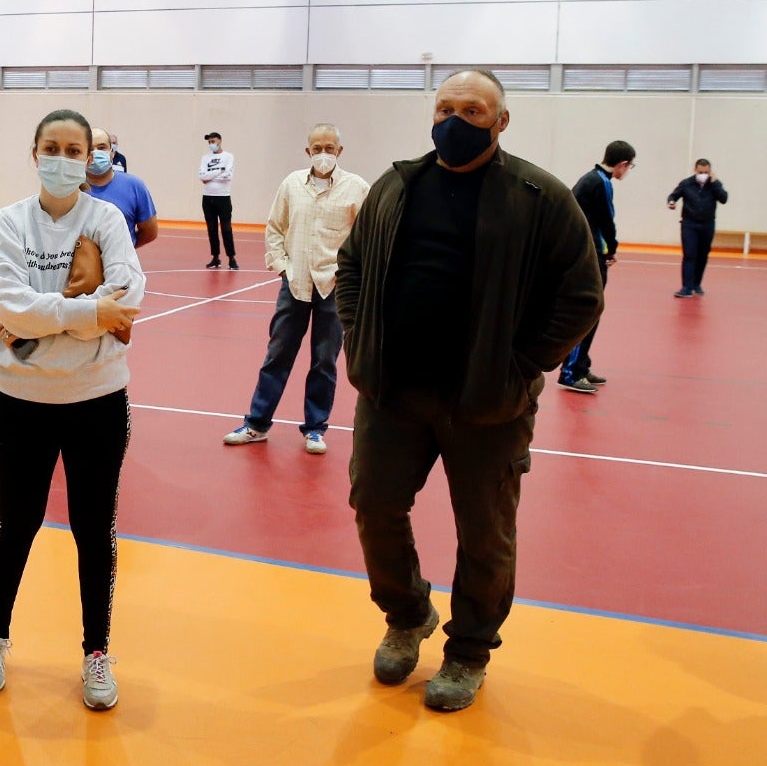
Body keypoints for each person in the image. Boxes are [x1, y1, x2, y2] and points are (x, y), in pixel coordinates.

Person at [336, 69, 602, 713]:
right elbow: (351, 267)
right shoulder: (397, 186)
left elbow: (581, 294)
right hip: (393, 393)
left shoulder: (539, 196)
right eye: (446, 107)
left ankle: (469, 650)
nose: (456, 120)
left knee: (484, 533)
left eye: (474, 110)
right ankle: (406, 614)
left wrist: (521, 365)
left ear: (500, 121)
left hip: (488, 402)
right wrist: (358, 338)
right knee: (374, 503)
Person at [0, 108, 144, 712]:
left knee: (95, 529)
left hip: (98, 401)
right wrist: (86, 309)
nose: (67, 159)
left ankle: (96, 651)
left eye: (77, 150)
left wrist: (65, 312)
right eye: (54, 147)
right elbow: (12, 308)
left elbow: (131, 293)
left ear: (93, 157)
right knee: (15, 522)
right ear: (35, 152)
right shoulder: (7, 224)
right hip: (21, 403)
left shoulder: (108, 220)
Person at [222, 123, 368, 455]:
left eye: (330, 148)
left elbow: (366, 238)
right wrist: (282, 266)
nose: (323, 154)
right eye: (317, 148)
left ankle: (315, 429)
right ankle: (257, 424)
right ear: (308, 151)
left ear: (339, 151)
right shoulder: (291, 184)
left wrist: (352, 277)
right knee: (277, 355)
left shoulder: (357, 188)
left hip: (334, 285)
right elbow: (275, 227)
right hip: (296, 283)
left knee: (324, 361)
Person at [559, 141, 635, 393]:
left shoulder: (591, 179)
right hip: (588, 256)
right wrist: (612, 247)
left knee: (594, 310)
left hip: (588, 254)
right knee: (588, 311)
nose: (627, 171)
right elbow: (606, 221)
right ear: (622, 164)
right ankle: (570, 373)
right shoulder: (600, 182)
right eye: (630, 166)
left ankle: (581, 365)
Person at [83, 127, 157, 247]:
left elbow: (150, 232)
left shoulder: (135, 186)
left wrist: (125, 249)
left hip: (120, 264)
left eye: (101, 148)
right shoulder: (71, 187)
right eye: (90, 149)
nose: (95, 153)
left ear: (112, 152)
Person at [669, 159, 728, 297]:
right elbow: (674, 195)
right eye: (700, 172)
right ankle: (686, 287)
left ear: (710, 171)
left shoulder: (715, 184)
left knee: (703, 255)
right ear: (695, 171)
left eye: (706, 172)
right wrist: (671, 202)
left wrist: (715, 184)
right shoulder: (687, 183)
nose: (703, 175)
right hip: (689, 224)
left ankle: (696, 284)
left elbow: (724, 198)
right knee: (689, 255)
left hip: (707, 225)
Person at [199, 131, 237, 269]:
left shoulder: (228, 156)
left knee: (226, 228)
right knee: (212, 229)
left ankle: (232, 258)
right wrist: (219, 171)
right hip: (208, 198)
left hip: (223, 197)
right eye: (209, 142)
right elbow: (201, 176)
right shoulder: (205, 158)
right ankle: (215, 257)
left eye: (213, 141)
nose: (211, 144)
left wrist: (210, 176)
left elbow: (228, 176)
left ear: (220, 141)